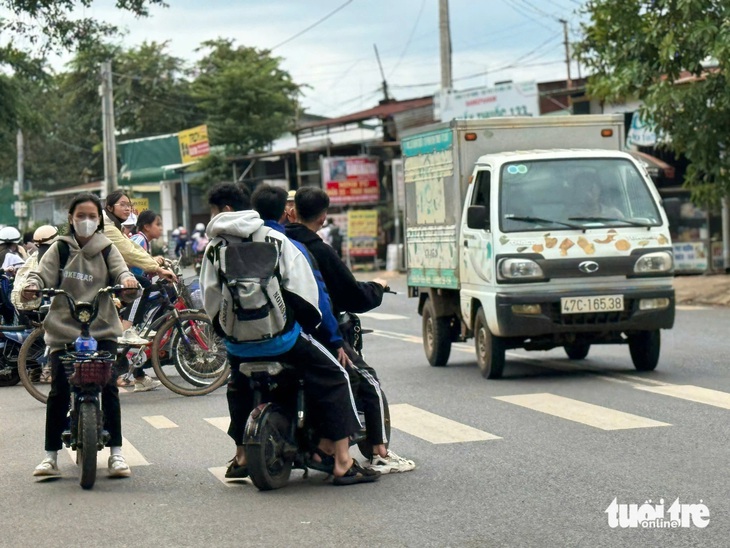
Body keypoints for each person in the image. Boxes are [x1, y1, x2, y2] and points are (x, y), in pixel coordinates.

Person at [200, 182, 379, 485]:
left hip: (238, 346)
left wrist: (230, 335)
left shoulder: (215, 247)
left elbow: (209, 298)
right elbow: (310, 296)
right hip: (283, 341)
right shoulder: (278, 240)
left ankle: (241, 457)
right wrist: (325, 335)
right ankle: (343, 462)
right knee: (336, 376)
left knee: (238, 384)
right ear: (284, 210)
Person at [287, 186, 415, 474]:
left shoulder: (279, 243)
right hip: (318, 332)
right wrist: (378, 288)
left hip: (281, 333)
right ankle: (379, 452)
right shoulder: (316, 250)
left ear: (292, 212)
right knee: (366, 380)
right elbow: (349, 296)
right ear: (323, 217)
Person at [21, 192, 140, 478]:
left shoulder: (106, 248)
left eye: (92, 216)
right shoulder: (59, 249)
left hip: (102, 327)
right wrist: (32, 285)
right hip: (64, 328)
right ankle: (50, 456)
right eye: (81, 216)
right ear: (70, 219)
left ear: (99, 220)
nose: (86, 221)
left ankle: (116, 453)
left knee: (110, 386)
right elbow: (41, 275)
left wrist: (127, 280)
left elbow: (121, 272)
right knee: (59, 389)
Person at [103, 190, 174, 391]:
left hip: (109, 272)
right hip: (102, 274)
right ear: (109, 208)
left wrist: (155, 265)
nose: (127, 208)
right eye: (122, 204)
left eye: (129, 204)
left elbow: (127, 248)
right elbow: (130, 252)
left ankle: (136, 371)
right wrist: (156, 267)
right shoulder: (108, 227)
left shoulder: (114, 227)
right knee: (139, 286)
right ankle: (128, 328)